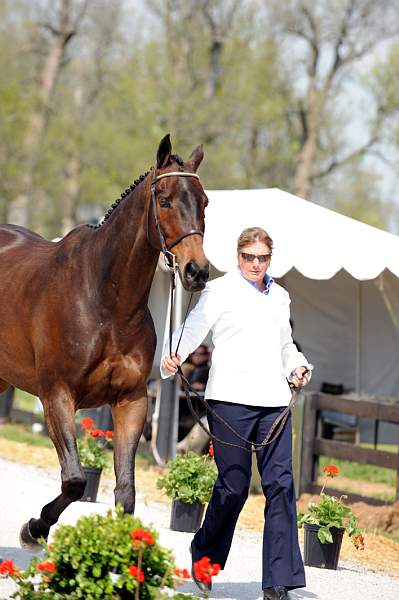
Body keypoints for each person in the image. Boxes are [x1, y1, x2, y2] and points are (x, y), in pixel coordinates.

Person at [161, 227, 312, 600]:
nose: (256, 264)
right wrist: (172, 355)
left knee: (281, 487)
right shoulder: (219, 291)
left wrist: (297, 365)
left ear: (269, 259)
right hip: (230, 402)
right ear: (238, 256)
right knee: (234, 487)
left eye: (262, 258)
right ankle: (205, 555)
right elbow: (191, 330)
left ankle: (278, 582)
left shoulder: (280, 296)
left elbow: (285, 344)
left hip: (275, 403)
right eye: (249, 257)